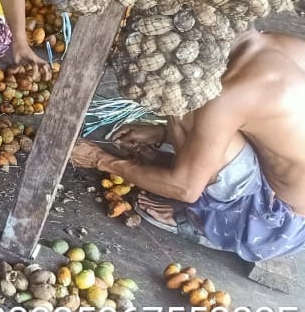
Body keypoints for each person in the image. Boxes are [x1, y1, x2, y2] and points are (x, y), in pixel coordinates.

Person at [71, 31, 305, 262]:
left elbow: (185, 188)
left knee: (184, 109)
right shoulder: (281, 45)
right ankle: (194, 162)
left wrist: (99, 159)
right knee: (198, 115)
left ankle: (205, 221)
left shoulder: (228, 95)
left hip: (273, 224)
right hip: (288, 189)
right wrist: (162, 133)